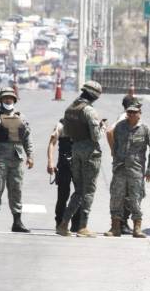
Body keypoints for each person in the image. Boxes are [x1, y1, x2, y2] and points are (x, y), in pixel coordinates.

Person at [0, 87, 34, 232]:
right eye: (5, 98)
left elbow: (27, 138)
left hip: (16, 159)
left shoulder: (21, 117)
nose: (8, 100)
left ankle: (17, 222)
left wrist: (30, 156)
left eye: (10, 98)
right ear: (0, 100)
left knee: (16, 189)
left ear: (14, 100)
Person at [56, 80, 106, 237]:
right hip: (90, 152)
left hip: (75, 149)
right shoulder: (89, 111)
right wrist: (102, 127)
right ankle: (83, 227)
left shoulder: (70, 108)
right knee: (89, 190)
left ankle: (63, 224)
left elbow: (68, 131)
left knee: (78, 190)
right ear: (94, 96)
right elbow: (96, 135)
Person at [104, 101, 150, 238]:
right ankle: (115, 227)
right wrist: (115, 155)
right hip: (120, 169)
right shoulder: (120, 127)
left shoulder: (146, 130)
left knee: (135, 199)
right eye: (129, 112)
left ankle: (137, 228)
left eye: (134, 112)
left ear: (140, 114)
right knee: (116, 198)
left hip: (136, 170)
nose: (131, 114)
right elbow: (112, 139)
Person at [107, 94, 143, 235]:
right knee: (123, 194)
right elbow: (110, 131)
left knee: (130, 195)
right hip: (124, 165)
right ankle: (120, 224)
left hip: (132, 166)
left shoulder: (130, 117)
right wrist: (114, 151)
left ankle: (123, 224)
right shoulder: (125, 118)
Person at [46, 119, 80, 232]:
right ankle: (60, 222)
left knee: (80, 194)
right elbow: (52, 143)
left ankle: (77, 224)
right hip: (64, 165)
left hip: (80, 164)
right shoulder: (61, 125)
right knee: (62, 195)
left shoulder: (85, 124)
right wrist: (50, 162)